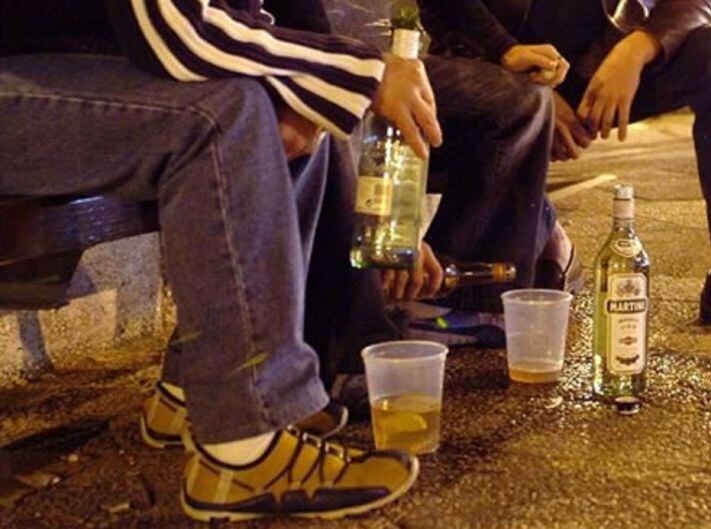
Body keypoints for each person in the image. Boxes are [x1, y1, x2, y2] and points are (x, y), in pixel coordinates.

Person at [0, 0, 443, 521]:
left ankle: (193, 392)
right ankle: (245, 449)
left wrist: (314, 88)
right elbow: (174, 33)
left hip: (60, 68)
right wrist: (364, 72)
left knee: (294, 113)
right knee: (224, 115)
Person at [419, 0, 711, 336]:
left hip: (603, 65)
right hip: (500, 64)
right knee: (518, 105)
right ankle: (506, 263)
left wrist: (640, 47)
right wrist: (511, 62)